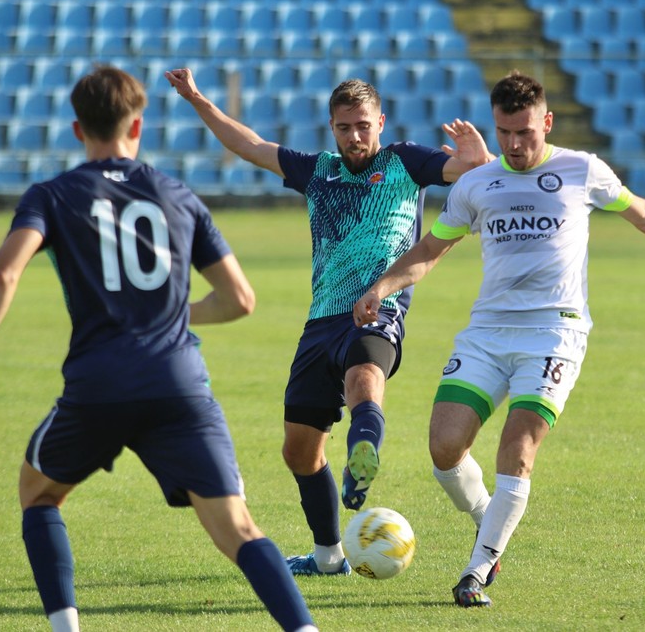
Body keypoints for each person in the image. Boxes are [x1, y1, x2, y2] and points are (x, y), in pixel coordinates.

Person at [353, 70, 645, 608]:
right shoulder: (477, 184)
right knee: (444, 449)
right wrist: (381, 286)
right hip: (487, 333)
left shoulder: (581, 170)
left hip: (555, 332)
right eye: (505, 133)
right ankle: (490, 524)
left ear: (546, 122)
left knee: (516, 449)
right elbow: (431, 249)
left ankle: (475, 572)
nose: (515, 145)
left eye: (526, 132)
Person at [0, 66, 317, 632]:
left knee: (38, 493)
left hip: (100, 384)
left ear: (77, 129)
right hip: (179, 383)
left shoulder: (53, 195)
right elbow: (240, 298)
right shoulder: (176, 193)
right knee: (239, 528)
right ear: (137, 124)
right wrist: (169, 318)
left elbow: (2, 275)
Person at [164, 67, 494, 577]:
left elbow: (464, 171)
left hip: (378, 306)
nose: (356, 136)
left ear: (380, 121)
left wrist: (475, 159)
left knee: (365, 378)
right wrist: (198, 100)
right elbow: (250, 145)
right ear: (332, 128)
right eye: (345, 128)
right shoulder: (317, 170)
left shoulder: (404, 161)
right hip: (320, 321)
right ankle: (328, 556)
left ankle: (364, 449)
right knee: (298, 450)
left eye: (364, 125)